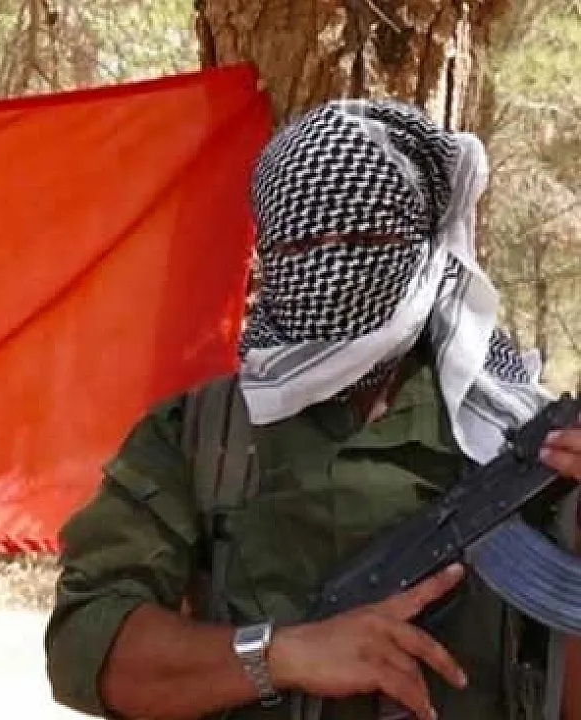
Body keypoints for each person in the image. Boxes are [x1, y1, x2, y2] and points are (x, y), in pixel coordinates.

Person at [44, 100, 581, 720]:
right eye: (302, 243)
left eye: (365, 238)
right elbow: (86, 646)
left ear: (424, 246)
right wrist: (279, 656)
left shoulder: (514, 432)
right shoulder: (203, 435)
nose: (331, 265)